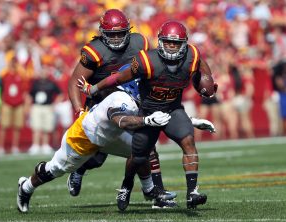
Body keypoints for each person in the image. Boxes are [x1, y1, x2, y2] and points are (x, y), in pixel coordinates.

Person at [17, 79, 215, 213]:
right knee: (55, 169)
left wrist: (192, 121)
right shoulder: (122, 100)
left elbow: (161, 116)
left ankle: (150, 190)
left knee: (143, 148)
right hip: (86, 138)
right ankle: (26, 187)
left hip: (113, 137)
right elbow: (121, 121)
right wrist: (147, 121)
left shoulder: (137, 100)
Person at [78, 20, 218, 210]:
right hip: (148, 112)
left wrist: (207, 81)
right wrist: (93, 88)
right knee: (139, 156)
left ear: (184, 44)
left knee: (188, 141)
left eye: (176, 43)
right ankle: (126, 185)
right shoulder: (146, 60)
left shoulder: (191, 55)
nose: (172, 46)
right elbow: (118, 77)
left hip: (173, 109)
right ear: (160, 41)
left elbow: (201, 64)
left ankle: (192, 192)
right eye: (168, 41)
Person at [66, 8, 176, 204]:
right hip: (101, 105)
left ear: (128, 30)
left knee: (146, 145)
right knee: (97, 158)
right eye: (112, 34)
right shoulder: (94, 51)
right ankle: (80, 168)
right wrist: (79, 111)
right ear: (102, 33)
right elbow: (75, 81)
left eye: (120, 33)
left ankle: (155, 192)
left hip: (131, 101)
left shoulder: (139, 42)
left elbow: (149, 68)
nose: (116, 38)